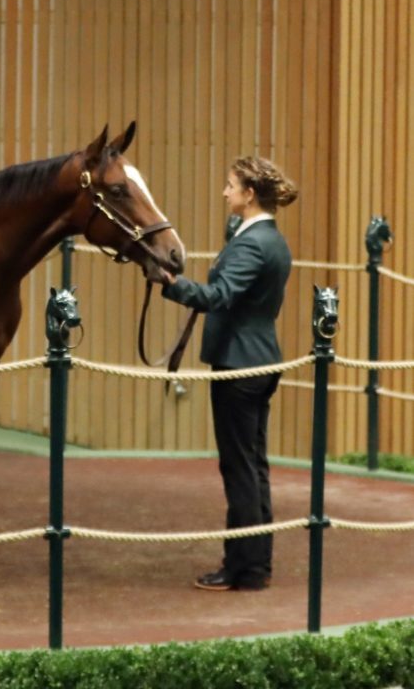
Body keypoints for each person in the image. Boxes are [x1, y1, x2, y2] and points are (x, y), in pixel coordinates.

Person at [160, 155, 298, 592]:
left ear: (249, 194)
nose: (224, 192)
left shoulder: (253, 244)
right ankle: (255, 563)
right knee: (253, 467)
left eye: (230, 185)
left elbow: (218, 295)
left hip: (240, 365)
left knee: (239, 468)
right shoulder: (269, 238)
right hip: (259, 359)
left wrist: (170, 284)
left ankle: (245, 568)